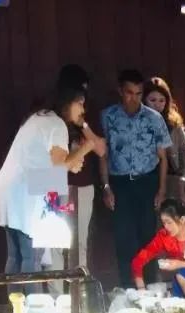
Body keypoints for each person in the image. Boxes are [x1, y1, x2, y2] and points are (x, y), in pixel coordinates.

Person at [0, 82, 101, 279]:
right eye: (80, 103)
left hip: (12, 186)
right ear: (67, 103)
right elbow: (59, 166)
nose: (83, 110)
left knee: (15, 255)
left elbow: (52, 167)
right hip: (24, 189)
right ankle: (31, 298)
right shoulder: (56, 124)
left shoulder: (38, 117)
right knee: (30, 257)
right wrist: (86, 148)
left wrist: (72, 163)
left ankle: (15, 298)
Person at [100, 68, 172, 288]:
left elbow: (163, 158)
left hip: (147, 181)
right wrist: (106, 187)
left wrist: (161, 189)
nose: (134, 98)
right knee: (124, 238)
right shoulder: (108, 116)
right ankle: (128, 288)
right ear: (120, 91)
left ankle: (149, 287)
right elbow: (103, 154)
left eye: (139, 93)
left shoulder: (153, 118)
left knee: (147, 237)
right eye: (129, 93)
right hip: (120, 183)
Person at [57, 64, 106, 274]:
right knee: (55, 242)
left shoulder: (87, 111)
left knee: (79, 242)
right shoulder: (52, 114)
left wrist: (83, 124)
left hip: (82, 185)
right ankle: (57, 290)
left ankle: (79, 288)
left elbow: (101, 149)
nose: (82, 98)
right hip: (55, 184)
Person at [130, 198, 185, 299]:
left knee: (182, 275)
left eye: (169, 222)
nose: (166, 227)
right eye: (163, 223)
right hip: (180, 278)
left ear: (182, 220)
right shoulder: (164, 236)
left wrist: (179, 264)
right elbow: (138, 261)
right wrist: (141, 288)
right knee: (177, 290)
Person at [145, 77, 185, 204]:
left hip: (171, 177)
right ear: (144, 99)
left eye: (162, 100)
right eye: (152, 100)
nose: (157, 105)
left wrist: (184, 176)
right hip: (147, 178)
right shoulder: (139, 122)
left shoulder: (173, 122)